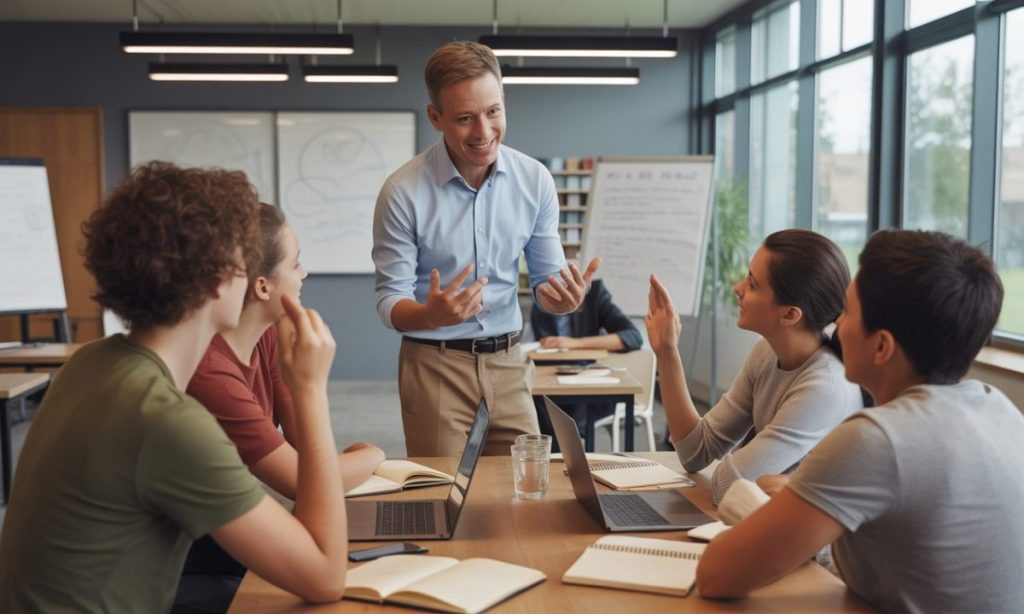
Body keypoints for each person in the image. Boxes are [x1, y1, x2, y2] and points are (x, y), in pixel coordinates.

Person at [0, 162, 348, 611]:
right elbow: (325, 577)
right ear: (218, 277)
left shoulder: (94, 362)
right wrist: (311, 389)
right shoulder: (167, 419)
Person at [696, 229, 1024, 613]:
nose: (836, 323)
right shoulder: (1002, 411)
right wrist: (808, 496)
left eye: (848, 311)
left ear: (881, 346)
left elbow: (716, 575)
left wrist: (767, 515)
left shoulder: (876, 439)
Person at [372, 40, 598, 456]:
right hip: (434, 364)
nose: (483, 132)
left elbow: (548, 286)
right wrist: (429, 315)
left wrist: (563, 300)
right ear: (435, 118)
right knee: (441, 500)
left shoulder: (535, 181)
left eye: (493, 112)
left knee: (527, 491)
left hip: (509, 363)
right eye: (464, 118)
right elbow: (389, 301)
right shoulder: (402, 192)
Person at [175, 203, 385, 611]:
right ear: (262, 286)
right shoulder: (208, 371)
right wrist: (372, 455)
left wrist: (332, 462)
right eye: (297, 263)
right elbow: (299, 479)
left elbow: (310, 459)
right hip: (180, 562)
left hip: (216, 533)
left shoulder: (266, 336)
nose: (304, 273)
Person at [645, 229, 863, 504]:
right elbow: (695, 451)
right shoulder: (766, 352)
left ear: (789, 314)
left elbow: (729, 486)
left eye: (752, 283)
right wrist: (667, 352)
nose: (737, 287)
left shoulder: (824, 388)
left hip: (805, 544)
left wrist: (738, 469)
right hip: (760, 520)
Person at [531, 278, 642, 439]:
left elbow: (632, 337)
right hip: (552, 381)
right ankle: (554, 456)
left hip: (587, 384)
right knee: (537, 404)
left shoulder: (594, 293)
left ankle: (561, 452)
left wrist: (575, 343)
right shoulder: (541, 298)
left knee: (556, 415)